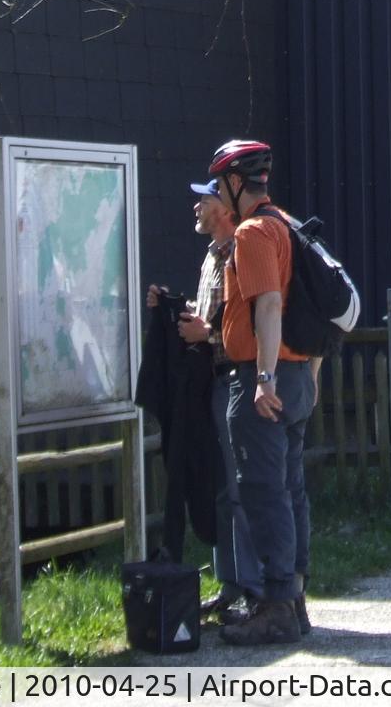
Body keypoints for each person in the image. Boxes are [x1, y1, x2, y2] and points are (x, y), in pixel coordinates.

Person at [204, 138, 316, 647]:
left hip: (261, 379)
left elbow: (269, 305)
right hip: (295, 378)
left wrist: (264, 379)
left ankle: (273, 608)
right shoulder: (286, 224)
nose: (217, 193)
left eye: (218, 183)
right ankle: (292, 599)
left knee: (264, 492)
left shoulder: (251, 232)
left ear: (233, 183)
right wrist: (302, 375)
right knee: (290, 489)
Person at [144, 180, 259, 622]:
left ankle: (254, 588)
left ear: (225, 209)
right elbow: (212, 311)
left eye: (204, 200)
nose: (196, 205)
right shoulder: (213, 253)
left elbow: (251, 323)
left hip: (235, 380)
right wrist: (173, 308)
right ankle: (230, 585)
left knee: (241, 488)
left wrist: (206, 334)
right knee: (218, 488)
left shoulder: (242, 250)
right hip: (209, 383)